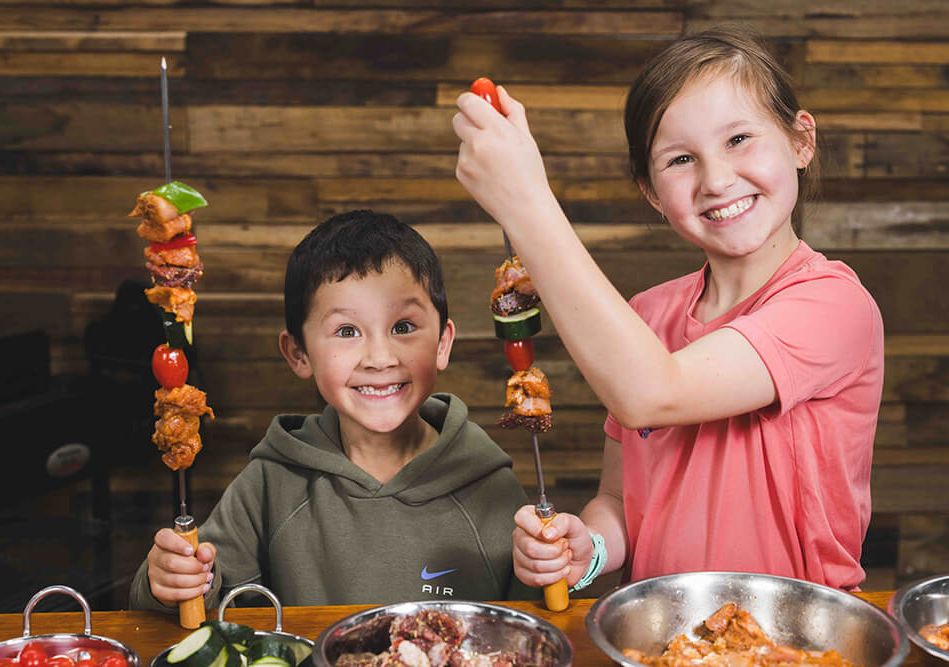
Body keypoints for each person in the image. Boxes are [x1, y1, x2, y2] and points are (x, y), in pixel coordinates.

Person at [452, 26, 883, 592]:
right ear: (652, 191)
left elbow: (654, 392)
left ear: (801, 141)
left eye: (738, 139)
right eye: (681, 159)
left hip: (796, 637)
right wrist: (593, 548)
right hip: (663, 636)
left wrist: (526, 201)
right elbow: (621, 500)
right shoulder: (645, 318)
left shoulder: (832, 304)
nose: (717, 179)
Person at [130, 210, 536, 609]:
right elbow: (198, 604)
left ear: (442, 344)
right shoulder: (269, 485)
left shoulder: (491, 488)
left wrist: (551, 569)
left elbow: (537, 618)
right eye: (347, 331)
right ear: (299, 354)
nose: (380, 358)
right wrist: (168, 583)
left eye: (403, 327)